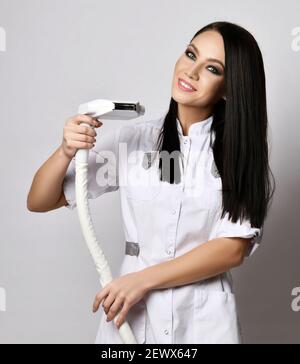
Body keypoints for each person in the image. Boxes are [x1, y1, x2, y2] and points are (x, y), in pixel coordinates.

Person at [27, 20, 275, 344]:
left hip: (202, 322)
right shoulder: (136, 140)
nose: (192, 71)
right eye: (190, 54)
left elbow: (233, 248)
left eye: (212, 69)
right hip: (131, 319)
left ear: (231, 87)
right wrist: (65, 151)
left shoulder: (239, 154)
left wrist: (142, 280)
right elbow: (41, 200)